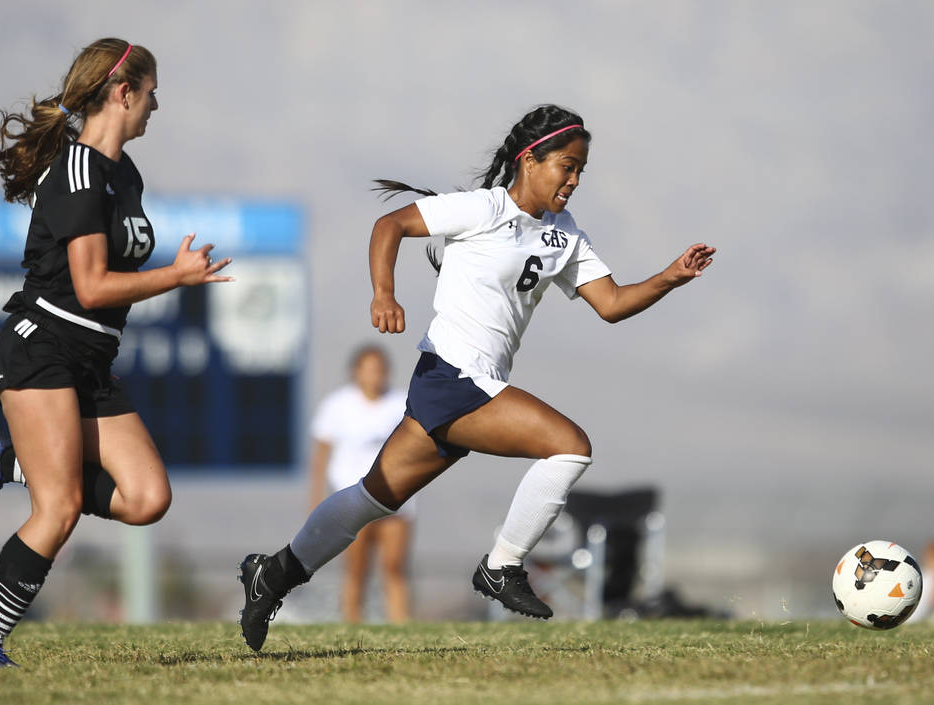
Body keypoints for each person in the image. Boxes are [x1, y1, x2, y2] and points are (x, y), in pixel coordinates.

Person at [237, 104, 715, 651]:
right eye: (567, 165)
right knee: (569, 447)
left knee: (373, 498)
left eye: (582, 169)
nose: (575, 180)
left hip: (468, 382)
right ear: (529, 160)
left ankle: (271, 574)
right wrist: (383, 293)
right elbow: (389, 225)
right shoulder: (482, 208)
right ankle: (501, 567)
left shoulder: (564, 234)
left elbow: (610, 303)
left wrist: (669, 278)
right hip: (452, 375)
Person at [0, 37, 232, 668]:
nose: (157, 105)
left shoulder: (124, 173)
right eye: (151, 91)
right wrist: (175, 277)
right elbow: (91, 287)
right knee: (60, 510)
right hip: (41, 350)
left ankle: (10, 460)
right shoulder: (78, 170)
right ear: (122, 92)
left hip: (91, 362)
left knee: (147, 497)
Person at [308, 345, 412, 623]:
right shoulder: (337, 405)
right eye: (368, 369)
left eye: (379, 369)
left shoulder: (402, 403)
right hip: (352, 500)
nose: (374, 375)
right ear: (356, 372)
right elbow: (320, 455)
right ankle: (353, 623)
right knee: (355, 568)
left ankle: (400, 624)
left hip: (395, 500)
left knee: (394, 566)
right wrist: (317, 498)